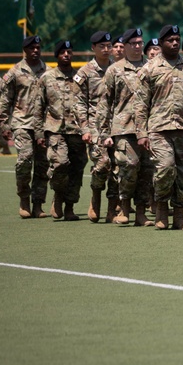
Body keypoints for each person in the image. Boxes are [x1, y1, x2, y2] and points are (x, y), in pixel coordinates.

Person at [136, 25, 183, 230]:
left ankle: (179, 216)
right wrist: (141, 132)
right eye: (170, 40)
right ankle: (160, 210)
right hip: (159, 129)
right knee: (165, 168)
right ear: (160, 43)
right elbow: (140, 103)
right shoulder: (150, 68)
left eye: (177, 39)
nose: (175, 43)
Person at [100, 28, 155, 227]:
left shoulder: (151, 67)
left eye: (140, 43)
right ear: (125, 46)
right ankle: (123, 208)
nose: (138, 46)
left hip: (148, 128)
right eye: (133, 43)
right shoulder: (114, 70)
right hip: (123, 128)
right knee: (128, 167)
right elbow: (105, 103)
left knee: (147, 171)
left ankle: (141, 212)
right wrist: (104, 132)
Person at [33, 40, 88, 221]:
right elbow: (38, 107)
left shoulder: (79, 77)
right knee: (60, 164)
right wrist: (39, 133)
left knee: (77, 169)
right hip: (55, 129)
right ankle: (58, 196)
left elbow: (87, 103)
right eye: (63, 52)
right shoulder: (46, 78)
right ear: (57, 55)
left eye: (69, 52)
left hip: (76, 131)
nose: (66, 55)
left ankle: (70, 206)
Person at [0, 35, 49, 218]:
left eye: (38, 47)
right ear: (25, 50)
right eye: (32, 48)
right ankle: (24, 200)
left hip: (43, 126)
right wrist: (4, 124)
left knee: (43, 165)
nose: (36, 50)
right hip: (22, 123)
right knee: (25, 160)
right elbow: (5, 100)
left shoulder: (48, 71)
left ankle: (38, 204)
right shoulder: (15, 72)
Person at [74, 30, 118, 223]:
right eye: (102, 46)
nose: (106, 49)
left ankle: (112, 209)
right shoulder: (85, 72)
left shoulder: (117, 69)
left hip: (117, 126)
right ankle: (96, 196)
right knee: (103, 164)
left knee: (118, 167)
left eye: (109, 46)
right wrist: (84, 129)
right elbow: (78, 103)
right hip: (95, 127)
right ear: (93, 48)